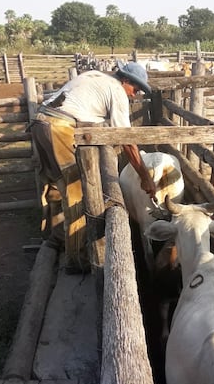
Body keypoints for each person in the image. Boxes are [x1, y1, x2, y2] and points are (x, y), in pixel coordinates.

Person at [27, 60, 157, 271]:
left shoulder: (95, 77)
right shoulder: (117, 91)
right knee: (75, 190)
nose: (135, 95)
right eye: (136, 88)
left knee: (55, 184)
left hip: (41, 122)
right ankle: (76, 259)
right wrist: (144, 176)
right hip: (58, 127)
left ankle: (56, 238)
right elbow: (125, 138)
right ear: (125, 80)